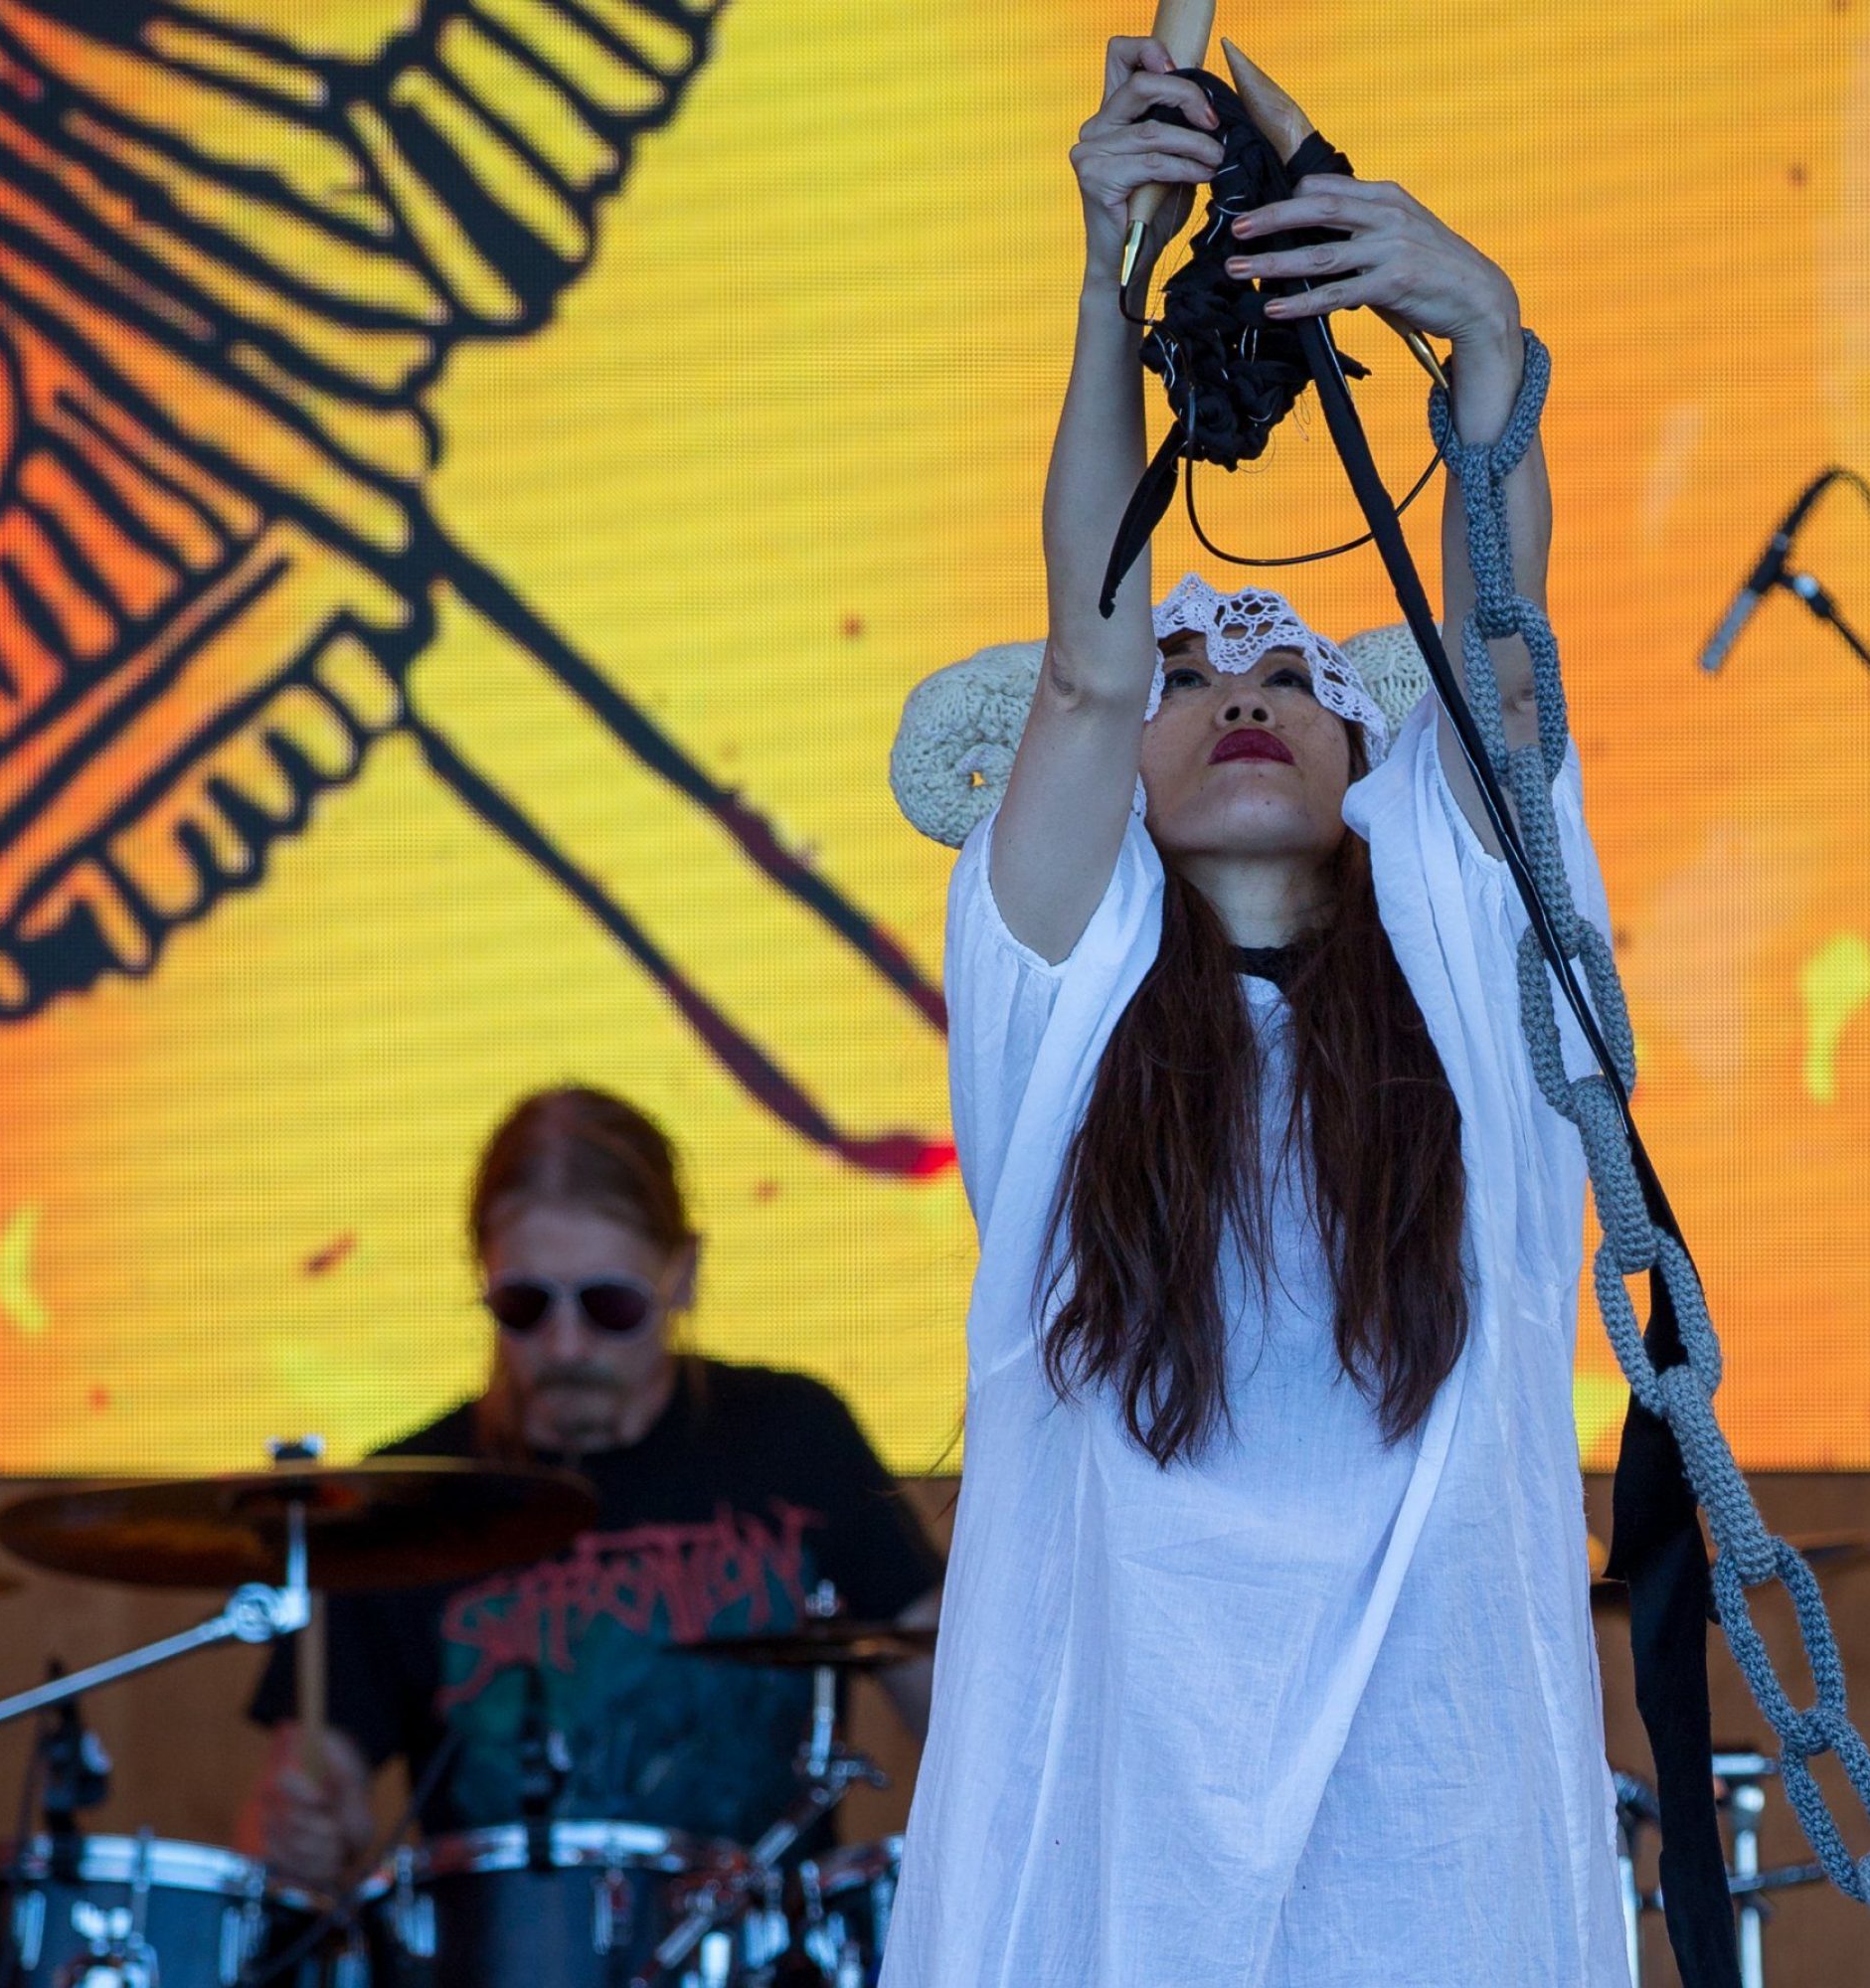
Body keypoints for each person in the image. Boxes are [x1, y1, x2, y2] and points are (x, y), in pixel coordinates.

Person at [878, 36, 1639, 1986]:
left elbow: (1498, 650)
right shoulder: (1063, 970)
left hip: (1436, 1856)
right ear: (1119, 773)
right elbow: (1085, 648)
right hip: (1101, 1866)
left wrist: (1482, 344)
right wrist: (1107, 289)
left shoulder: (1475, 944)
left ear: (1355, 759)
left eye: (1288, 671)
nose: (1232, 682)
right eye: (1194, 665)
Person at [244, 1085, 942, 1890]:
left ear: (683, 1274)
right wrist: (304, 1829)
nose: (567, 1344)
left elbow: (961, 1710)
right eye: (524, 1305)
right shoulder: (404, 1499)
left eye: (611, 1305)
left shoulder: (795, 1436)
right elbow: (297, 1800)